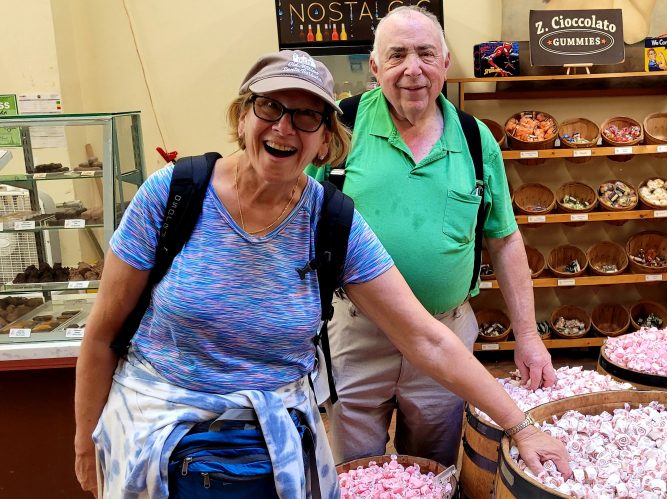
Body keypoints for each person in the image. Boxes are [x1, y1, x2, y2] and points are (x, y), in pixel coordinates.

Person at [73, 49, 570, 498]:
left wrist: (520, 425)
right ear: (242, 116)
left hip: (275, 450)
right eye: (270, 107)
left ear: (327, 140)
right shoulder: (174, 194)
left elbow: (428, 338)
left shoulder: (331, 221)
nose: (285, 128)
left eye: (307, 116)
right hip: (155, 442)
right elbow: (102, 335)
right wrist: (83, 443)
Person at [303, 6, 557, 467]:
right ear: (375, 67)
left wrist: (528, 336)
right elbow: (294, 220)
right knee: (354, 471)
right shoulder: (338, 128)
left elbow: (505, 240)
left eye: (425, 54)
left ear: (445, 63)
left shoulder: (476, 140)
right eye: (397, 55)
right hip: (356, 335)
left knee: (433, 471)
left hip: (447, 332)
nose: (412, 69)